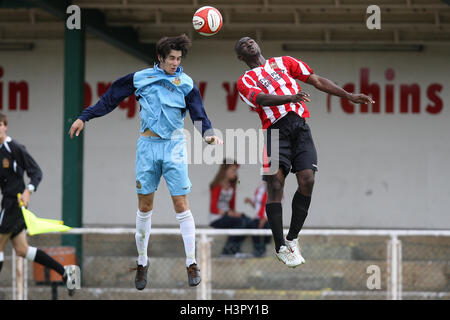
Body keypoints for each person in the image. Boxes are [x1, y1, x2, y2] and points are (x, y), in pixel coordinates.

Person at [69, 34, 222, 290]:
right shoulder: (139, 78)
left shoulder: (185, 82)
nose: (175, 63)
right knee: (145, 205)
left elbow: (198, 113)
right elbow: (109, 100)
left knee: (181, 203)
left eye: (179, 58)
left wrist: (208, 134)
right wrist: (85, 117)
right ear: (160, 58)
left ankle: (191, 262)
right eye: (171, 58)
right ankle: (142, 261)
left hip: (174, 146)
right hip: (147, 148)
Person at [235, 37, 374, 268]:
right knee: (275, 185)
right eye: (243, 45)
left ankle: (292, 239)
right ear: (240, 57)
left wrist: (348, 95)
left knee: (308, 179)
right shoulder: (244, 80)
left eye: (250, 40)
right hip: (274, 131)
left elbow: (316, 80)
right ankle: (280, 246)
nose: (248, 43)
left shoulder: (284, 62)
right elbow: (260, 99)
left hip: (300, 128)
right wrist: (290, 97)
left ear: (258, 45)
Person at [0, 112, 75, 296]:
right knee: (21, 249)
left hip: (14, 203)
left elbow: (36, 172)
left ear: (5, 126)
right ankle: (65, 272)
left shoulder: (14, 148)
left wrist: (28, 191)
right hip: (8, 203)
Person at [209, 160, 248, 256]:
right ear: (225, 171)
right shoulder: (217, 186)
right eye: (233, 170)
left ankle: (235, 250)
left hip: (228, 216)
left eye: (236, 171)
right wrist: (228, 213)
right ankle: (227, 251)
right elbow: (213, 209)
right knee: (240, 222)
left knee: (248, 221)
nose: (235, 173)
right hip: (217, 218)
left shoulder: (232, 187)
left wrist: (235, 213)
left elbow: (232, 207)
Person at [244, 181, 271, 257]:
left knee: (268, 226)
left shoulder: (277, 190)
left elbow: (276, 209)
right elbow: (257, 206)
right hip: (258, 217)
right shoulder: (260, 189)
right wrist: (250, 202)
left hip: (269, 219)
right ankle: (257, 249)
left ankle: (265, 249)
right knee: (252, 225)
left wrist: (265, 219)